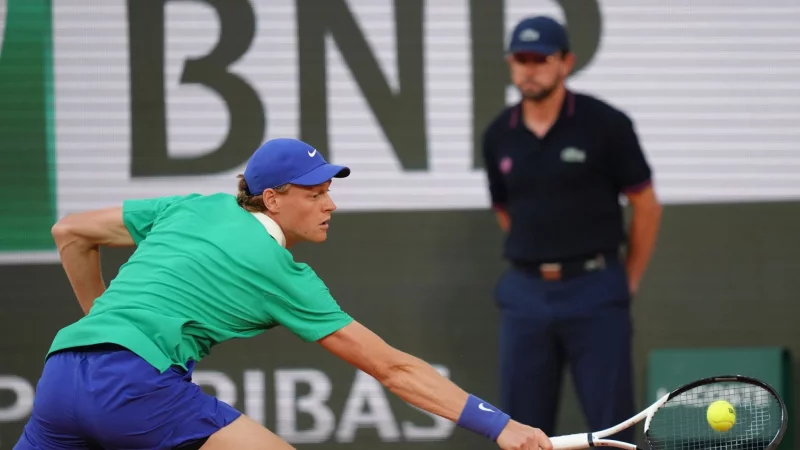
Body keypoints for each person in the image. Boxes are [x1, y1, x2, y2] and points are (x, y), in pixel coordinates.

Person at [14, 138, 552, 450]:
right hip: (134, 389)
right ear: (272, 199)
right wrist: (500, 426)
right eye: (314, 194)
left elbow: (71, 232)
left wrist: (103, 322)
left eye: (329, 192)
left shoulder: (194, 206)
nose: (329, 205)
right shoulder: (279, 272)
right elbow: (393, 369)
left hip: (62, 376)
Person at [480, 16, 663, 442]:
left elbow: (646, 206)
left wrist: (626, 279)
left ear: (566, 62)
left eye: (541, 58)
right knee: (522, 433)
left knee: (613, 429)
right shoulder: (497, 136)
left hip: (595, 289)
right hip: (524, 295)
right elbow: (506, 210)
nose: (530, 68)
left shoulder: (607, 125)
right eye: (520, 59)